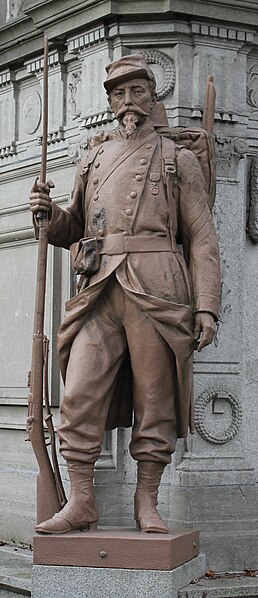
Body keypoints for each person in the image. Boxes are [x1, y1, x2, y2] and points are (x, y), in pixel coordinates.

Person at [30, 55, 220, 535]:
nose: (127, 103)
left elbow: (200, 237)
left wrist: (207, 307)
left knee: (154, 401)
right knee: (78, 393)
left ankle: (147, 502)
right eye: (117, 94)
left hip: (158, 288)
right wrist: (48, 216)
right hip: (97, 286)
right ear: (110, 102)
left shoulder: (179, 160)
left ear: (152, 97)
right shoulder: (92, 157)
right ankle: (81, 502)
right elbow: (73, 224)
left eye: (136, 91)